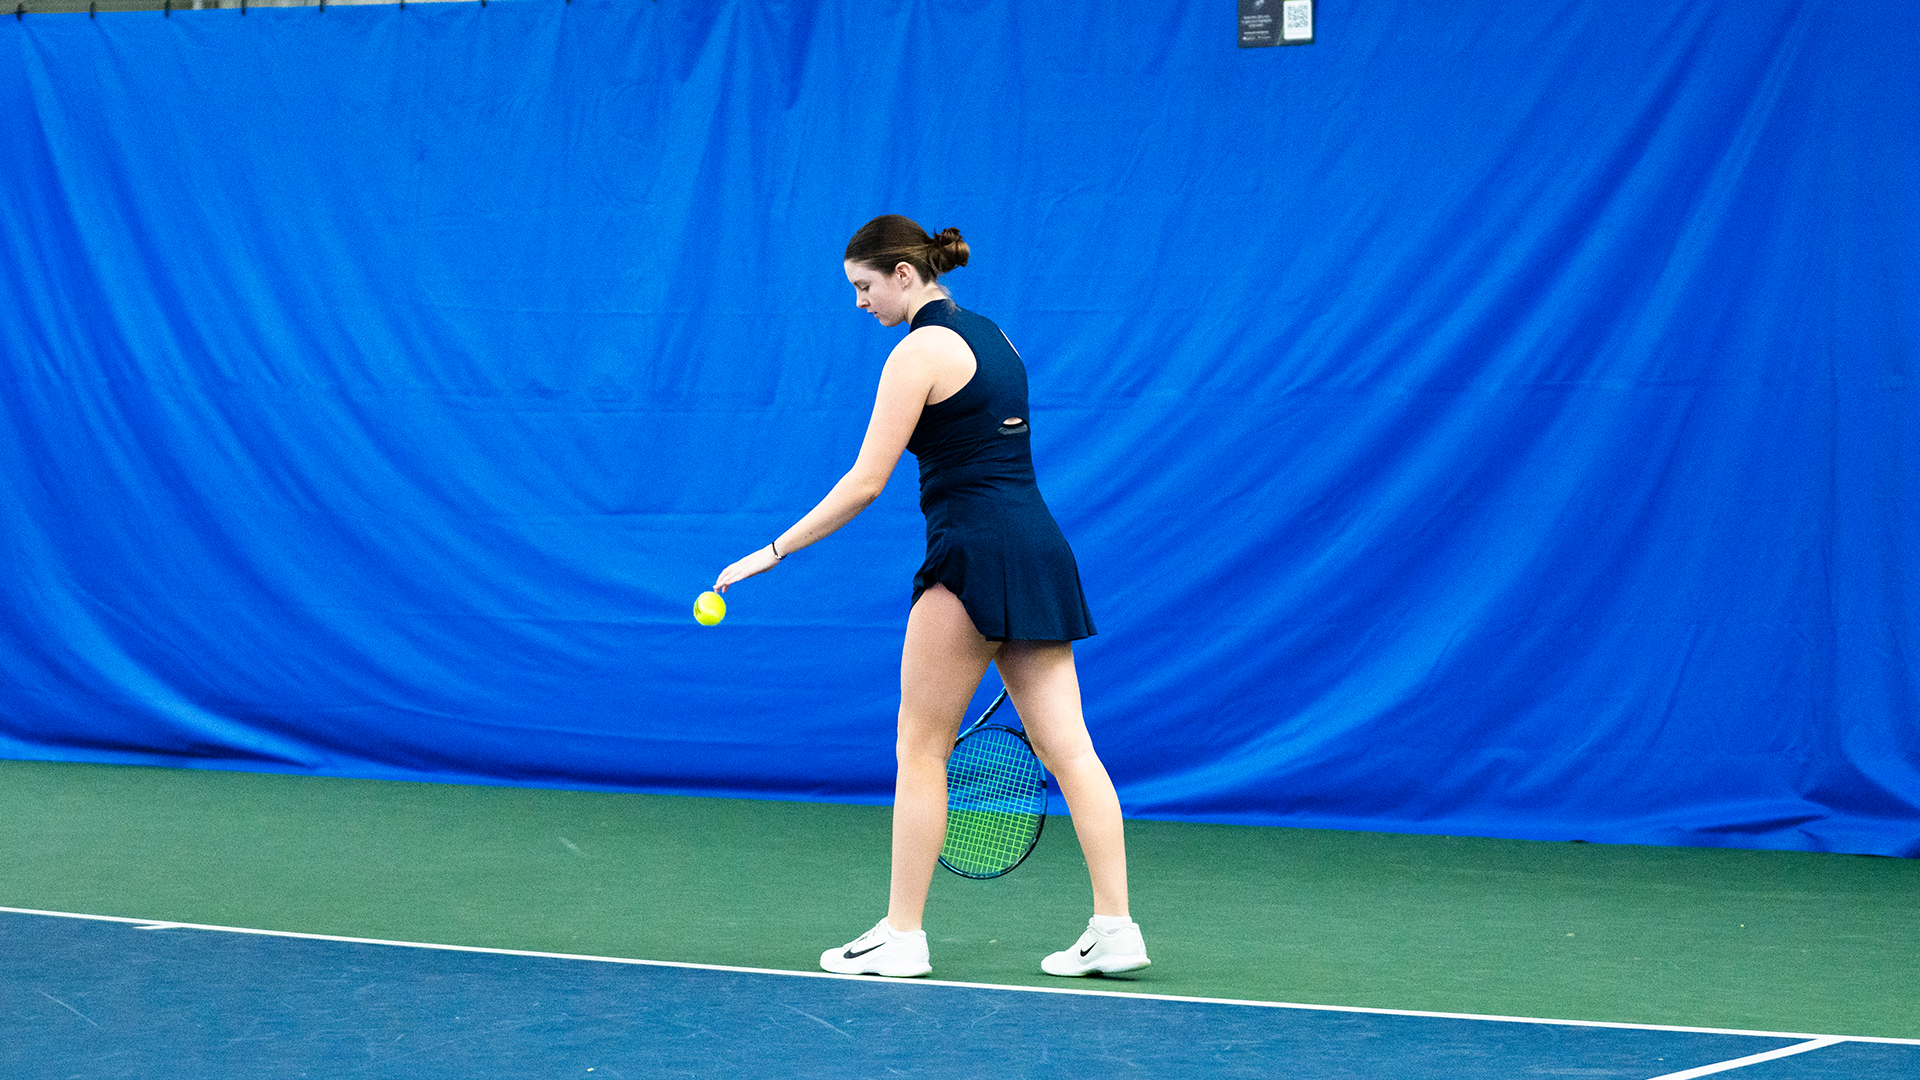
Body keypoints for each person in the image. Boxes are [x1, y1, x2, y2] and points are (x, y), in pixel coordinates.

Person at [714, 215, 1148, 979]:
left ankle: (902, 936)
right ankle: (1116, 928)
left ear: (904, 276)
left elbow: (866, 482)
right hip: (1039, 548)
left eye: (864, 286)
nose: (859, 303)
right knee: (1071, 749)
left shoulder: (916, 351)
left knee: (920, 745)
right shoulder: (997, 337)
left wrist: (773, 551)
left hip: (971, 556)